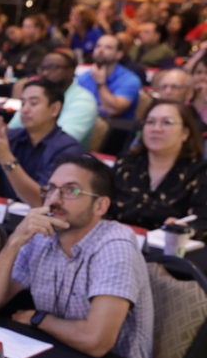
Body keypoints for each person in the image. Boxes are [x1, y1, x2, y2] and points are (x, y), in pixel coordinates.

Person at [0, 155, 157, 358]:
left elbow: (96, 342)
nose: (55, 200)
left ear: (101, 205)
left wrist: (39, 319)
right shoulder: (42, 236)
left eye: (70, 190)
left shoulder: (116, 248)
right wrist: (16, 240)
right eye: (51, 189)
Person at [0, 79, 85, 206]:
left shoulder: (68, 149)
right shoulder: (10, 137)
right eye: (23, 103)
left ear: (54, 109)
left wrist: (7, 160)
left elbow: (43, 201)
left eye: (33, 103)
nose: (24, 110)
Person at [110, 100, 206, 239]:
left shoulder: (200, 173)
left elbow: (202, 223)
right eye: (150, 122)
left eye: (167, 122)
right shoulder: (126, 164)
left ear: (185, 133)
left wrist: (187, 229)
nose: (156, 128)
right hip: (116, 244)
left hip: (168, 252)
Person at [8, 48, 98, 146]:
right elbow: (12, 130)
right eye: (42, 68)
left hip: (62, 158)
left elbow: (63, 143)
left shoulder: (83, 101)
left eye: (53, 67)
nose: (45, 73)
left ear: (71, 71)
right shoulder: (35, 94)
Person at [77, 34, 142, 120]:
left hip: (116, 127)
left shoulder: (130, 79)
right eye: (98, 46)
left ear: (119, 54)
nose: (100, 50)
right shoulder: (83, 77)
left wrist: (100, 84)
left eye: (108, 47)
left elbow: (113, 110)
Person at [151, 69, 207, 136]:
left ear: (189, 93)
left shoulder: (196, 126)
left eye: (175, 87)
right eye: (164, 87)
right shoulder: (149, 118)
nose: (168, 92)